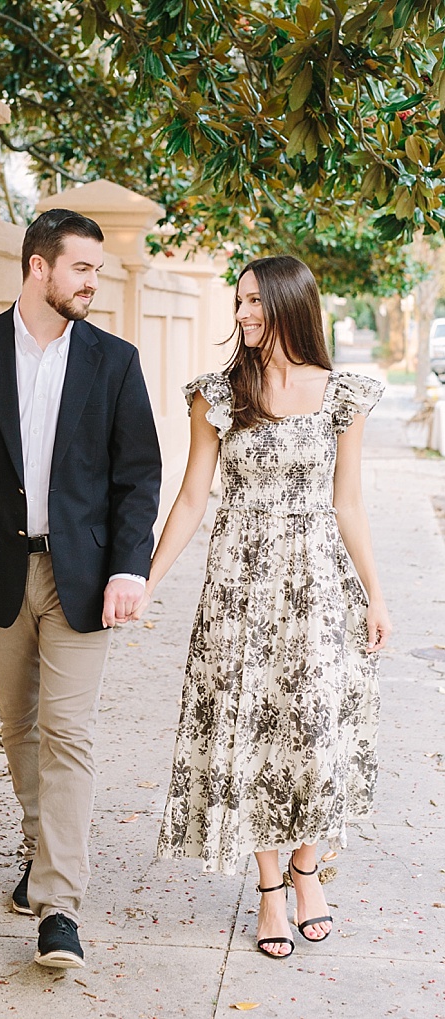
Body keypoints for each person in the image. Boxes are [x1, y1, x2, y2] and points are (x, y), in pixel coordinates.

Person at [0, 209, 161, 968]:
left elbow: (137, 476)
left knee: (68, 732)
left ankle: (58, 905)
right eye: (82, 268)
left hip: (81, 574)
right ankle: (38, 845)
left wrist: (129, 565)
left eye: (97, 270)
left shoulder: (114, 361)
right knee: (17, 728)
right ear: (37, 267)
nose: (94, 282)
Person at [134, 255, 391, 959]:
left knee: (311, 733)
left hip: (316, 591)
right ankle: (270, 889)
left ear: (289, 305)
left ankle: (308, 870)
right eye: (239, 301)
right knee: (248, 737)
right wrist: (148, 579)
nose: (243, 314)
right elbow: (191, 498)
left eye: (255, 302)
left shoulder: (342, 395)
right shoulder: (218, 394)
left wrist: (375, 595)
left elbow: (347, 502)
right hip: (238, 592)